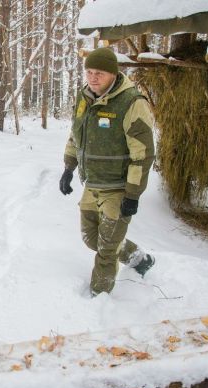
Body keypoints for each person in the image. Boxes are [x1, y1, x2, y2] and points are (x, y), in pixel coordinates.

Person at [59, 47, 155, 296]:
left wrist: (132, 194)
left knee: (106, 251)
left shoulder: (131, 103)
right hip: (92, 183)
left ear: (113, 73)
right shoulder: (84, 98)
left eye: (99, 73)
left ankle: (98, 297)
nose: (92, 77)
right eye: (89, 72)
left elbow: (142, 154)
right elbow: (76, 134)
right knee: (91, 238)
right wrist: (69, 167)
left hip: (118, 188)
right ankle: (139, 258)